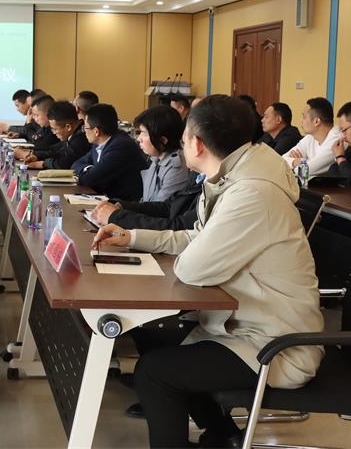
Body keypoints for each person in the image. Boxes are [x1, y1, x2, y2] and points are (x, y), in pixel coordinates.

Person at [92, 95, 323, 448]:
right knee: (152, 337)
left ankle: (212, 436)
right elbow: (198, 237)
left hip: (274, 343)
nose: (182, 144)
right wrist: (132, 237)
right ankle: (224, 437)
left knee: (154, 374)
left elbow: (191, 269)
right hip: (244, 325)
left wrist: (182, 252)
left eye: (184, 138)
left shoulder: (252, 193)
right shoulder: (236, 176)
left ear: (197, 144)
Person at [72, 103, 148, 201]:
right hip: (107, 198)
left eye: (85, 127)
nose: (84, 131)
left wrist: (90, 172)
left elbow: (88, 180)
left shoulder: (120, 146)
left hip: (125, 203)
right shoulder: (99, 143)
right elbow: (76, 165)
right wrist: (90, 169)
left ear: (96, 131)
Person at [91, 170, 202, 231]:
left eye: (184, 142)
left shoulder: (179, 169)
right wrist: (120, 205)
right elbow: (168, 207)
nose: (139, 138)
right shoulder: (198, 175)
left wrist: (117, 217)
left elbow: (180, 227)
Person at [134, 105, 188, 202]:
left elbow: (159, 207)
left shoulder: (176, 168)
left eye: (144, 133)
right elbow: (146, 200)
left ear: (162, 140)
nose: (139, 139)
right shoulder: (156, 158)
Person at [282, 97, 342, 176]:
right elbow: (281, 161)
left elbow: (304, 171)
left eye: (304, 117)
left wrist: (300, 163)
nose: (301, 121)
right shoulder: (310, 137)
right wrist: (297, 162)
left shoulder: (337, 140)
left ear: (316, 121)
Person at [23, 101, 91, 170]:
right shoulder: (73, 133)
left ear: (68, 127)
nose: (53, 133)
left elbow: (62, 163)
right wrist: (37, 156)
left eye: (54, 129)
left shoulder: (82, 137)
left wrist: (42, 164)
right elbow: (54, 150)